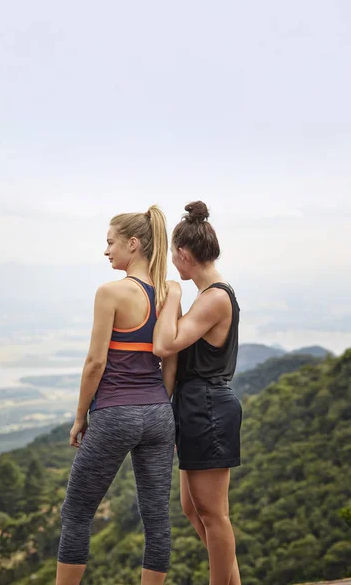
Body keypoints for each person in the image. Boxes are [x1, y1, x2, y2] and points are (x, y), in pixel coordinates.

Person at [56, 206, 177, 585]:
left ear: (133, 243)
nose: (106, 251)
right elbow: (171, 359)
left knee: (76, 514)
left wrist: (81, 418)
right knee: (157, 520)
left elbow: (95, 362)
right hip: (159, 413)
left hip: (114, 413)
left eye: (110, 242)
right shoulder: (169, 293)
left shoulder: (110, 293)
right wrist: (160, 404)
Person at [153, 201, 242, 585]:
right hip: (194, 407)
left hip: (208, 406)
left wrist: (172, 294)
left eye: (174, 256)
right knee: (193, 509)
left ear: (184, 255)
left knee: (213, 513)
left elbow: (165, 344)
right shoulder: (207, 296)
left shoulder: (215, 297)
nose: (173, 263)